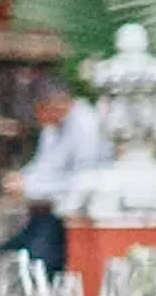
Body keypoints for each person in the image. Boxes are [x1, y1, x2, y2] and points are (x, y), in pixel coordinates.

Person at [9, 82, 106, 280]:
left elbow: (81, 181)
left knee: (35, 266)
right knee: (1, 259)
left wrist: (30, 188)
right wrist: (22, 179)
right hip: (44, 212)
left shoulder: (85, 126)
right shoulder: (53, 128)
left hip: (68, 216)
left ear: (57, 104)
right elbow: (45, 166)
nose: (39, 118)